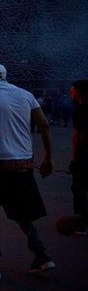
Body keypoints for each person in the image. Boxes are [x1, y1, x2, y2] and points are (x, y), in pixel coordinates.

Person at [0, 63, 54, 280]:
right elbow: (44, 125)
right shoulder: (26, 95)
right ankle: (42, 256)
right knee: (22, 213)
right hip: (23, 164)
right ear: (6, 77)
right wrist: (48, 158)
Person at [70, 79, 88, 234]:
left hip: (84, 158)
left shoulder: (81, 111)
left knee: (80, 189)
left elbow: (78, 137)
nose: (71, 93)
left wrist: (74, 159)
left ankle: (81, 223)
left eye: (73, 90)